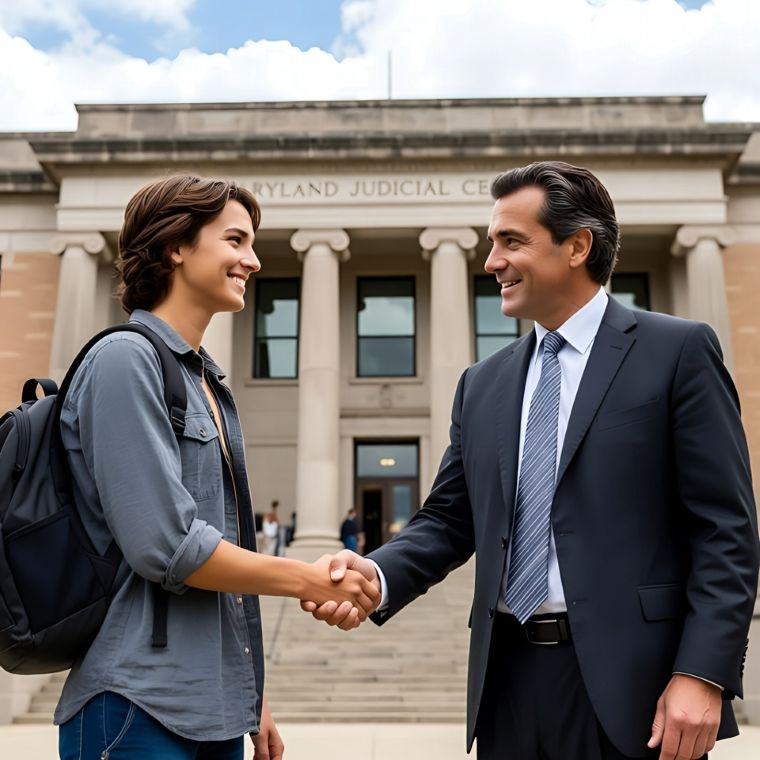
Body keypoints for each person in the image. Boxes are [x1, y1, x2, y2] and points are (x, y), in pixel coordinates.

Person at [304, 161, 760, 760]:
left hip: (636, 690)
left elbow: (726, 529)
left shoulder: (677, 351)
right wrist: (377, 575)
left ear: (577, 246)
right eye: (493, 243)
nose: (491, 261)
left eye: (511, 241)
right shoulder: (481, 383)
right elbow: (448, 520)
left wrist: (702, 673)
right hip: (507, 682)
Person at [55, 174, 379, 760]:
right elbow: (168, 545)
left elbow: (224, 553)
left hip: (216, 711)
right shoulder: (125, 360)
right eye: (236, 240)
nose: (252, 261)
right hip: (133, 709)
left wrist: (252, 697)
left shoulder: (206, 380)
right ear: (177, 245)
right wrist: (309, 579)